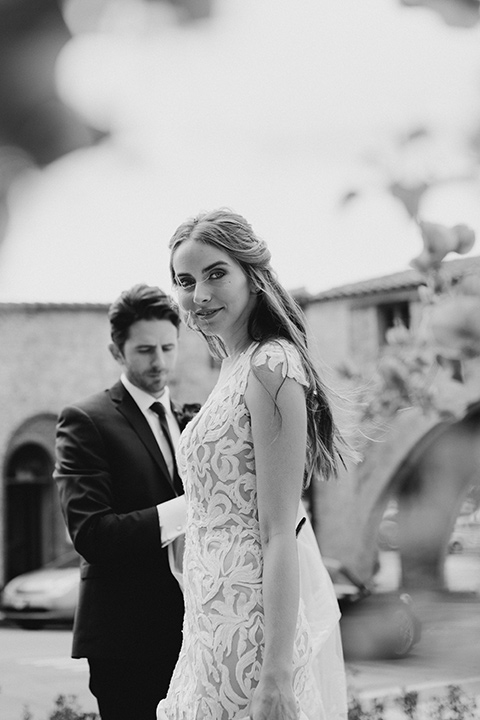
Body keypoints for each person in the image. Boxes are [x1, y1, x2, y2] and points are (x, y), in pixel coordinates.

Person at [157, 210, 348, 720]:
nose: (199, 294)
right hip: (206, 618)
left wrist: (276, 675)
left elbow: (279, 531)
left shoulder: (272, 363)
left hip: (250, 628)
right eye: (185, 280)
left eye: (216, 273)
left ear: (253, 275)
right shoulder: (232, 366)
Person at [55, 284, 197, 720]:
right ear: (117, 351)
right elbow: (92, 534)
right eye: (144, 350)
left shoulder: (194, 418)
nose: (159, 362)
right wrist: (191, 506)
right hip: (126, 641)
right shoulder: (85, 421)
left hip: (196, 632)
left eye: (168, 348)